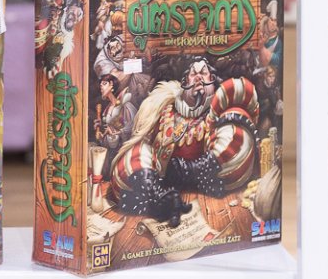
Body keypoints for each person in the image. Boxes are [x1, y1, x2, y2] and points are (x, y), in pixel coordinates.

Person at [109, 57, 260, 227]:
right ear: (184, 82)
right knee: (136, 153)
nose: (198, 77)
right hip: (165, 190)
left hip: (208, 199)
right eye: (193, 73)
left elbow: (237, 147)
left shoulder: (219, 114)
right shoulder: (163, 110)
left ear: (213, 82)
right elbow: (137, 152)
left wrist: (189, 170)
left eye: (204, 73)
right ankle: (157, 197)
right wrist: (156, 193)